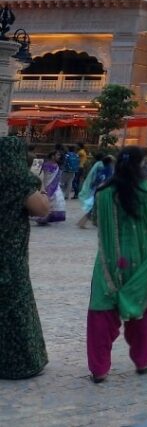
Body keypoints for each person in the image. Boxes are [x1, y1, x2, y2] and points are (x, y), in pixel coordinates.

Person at [87, 146, 147, 383]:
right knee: (144, 312)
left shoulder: (103, 192)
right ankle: (142, 362)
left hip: (109, 260)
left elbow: (97, 221)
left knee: (101, 313)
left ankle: (99, 370)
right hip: (142, 260)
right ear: (140, 165)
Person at [0, 136, 51, 380]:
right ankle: (19, 362)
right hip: (10, 254)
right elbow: (42, 209)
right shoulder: (19, 179)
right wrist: (39, 186)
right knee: (15, 305)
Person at [76, 151, 108, 228]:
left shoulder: (97, 164)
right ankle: (82, 223)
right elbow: (100, 177)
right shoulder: (101, 165)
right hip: (98, 187)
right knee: (94, 205)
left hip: (94, 187)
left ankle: (93, 221)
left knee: (95, 206)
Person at [36, 150, 66, 225]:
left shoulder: (57, 165)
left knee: (57, 202)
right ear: (52, 156)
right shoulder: (46, 165)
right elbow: (41, 176)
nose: (59, 157)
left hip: (56, 187)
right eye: (57, 155)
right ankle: (43, 218)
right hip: (47, 187)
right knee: (47, 202)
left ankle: (49, 218)